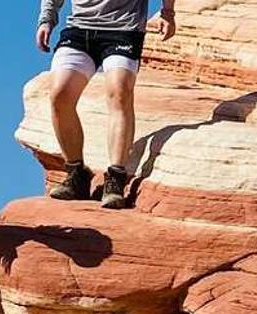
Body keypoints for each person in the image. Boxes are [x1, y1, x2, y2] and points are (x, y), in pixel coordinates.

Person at [37, 0, 177, 209]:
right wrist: (47, 20)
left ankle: (115, 178)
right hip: (80, 28)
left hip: (124, 29)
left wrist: (168, 12)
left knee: (119, 92)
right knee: (60, 95)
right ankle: (76, 174)